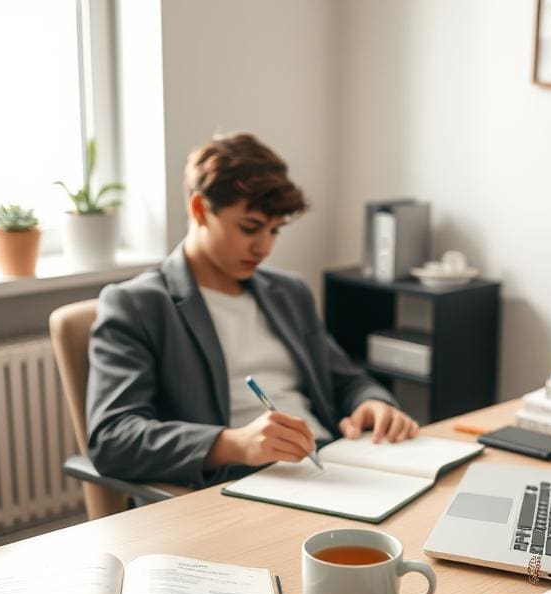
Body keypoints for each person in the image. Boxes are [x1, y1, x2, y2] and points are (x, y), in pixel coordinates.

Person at [86, 132, 418, 489]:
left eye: (275, 230)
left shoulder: (288, 292)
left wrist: (373, 403)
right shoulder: (138, 305)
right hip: (240, 484)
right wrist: (233, 444)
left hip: (332, 466)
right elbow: (112, 437)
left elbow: (345, 379)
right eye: (250, 228)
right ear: (200, 209)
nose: (264, 247)